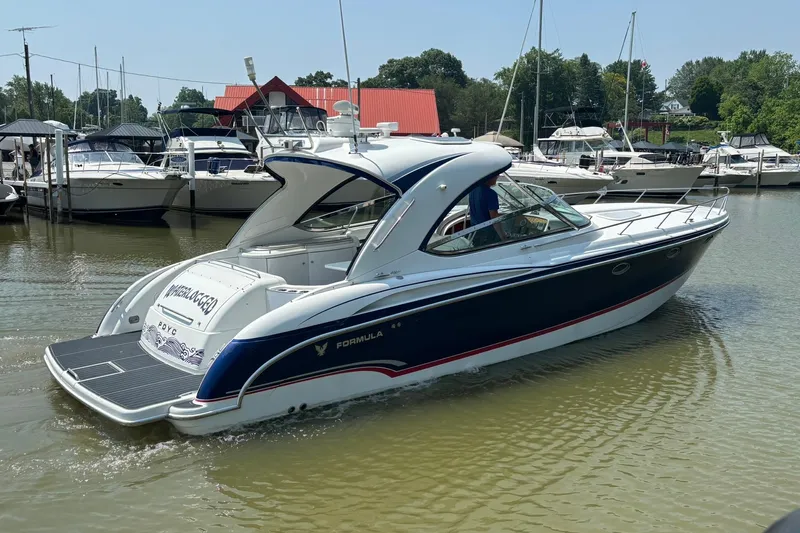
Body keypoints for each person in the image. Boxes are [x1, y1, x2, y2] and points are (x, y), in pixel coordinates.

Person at [468, 174, 507, 247]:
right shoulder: (491, 194)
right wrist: (504, 237)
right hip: (488, 236)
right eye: (496, 175)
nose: (497, 177)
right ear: (489, 177)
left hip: (475, 232)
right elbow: (494, 218)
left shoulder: (472, 191)